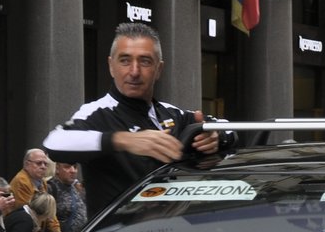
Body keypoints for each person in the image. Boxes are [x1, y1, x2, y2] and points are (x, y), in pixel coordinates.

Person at [41, 21, 232, 214]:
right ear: (111, 66)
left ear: (159, 69)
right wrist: (123, 140)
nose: (134, 72)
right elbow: (54, 143)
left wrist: (216, 136)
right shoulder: (98, 113)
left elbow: (230, 128)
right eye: (125, 60)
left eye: (145, 61)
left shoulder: (171, 113)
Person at [51, 160, 88, 232]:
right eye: (67, 167)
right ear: (57, 169)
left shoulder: (74, 187)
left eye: (75, 167)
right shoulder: (51, 187)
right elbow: (47, 219)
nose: (73, 171)